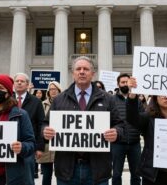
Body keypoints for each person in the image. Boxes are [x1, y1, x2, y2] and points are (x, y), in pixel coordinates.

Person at [43, 56, 124, 185]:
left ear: (92, 73)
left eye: (86, 69)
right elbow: (45, 123)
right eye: (78, 69)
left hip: (98, 169)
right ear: (73, 73)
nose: (82, 72)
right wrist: (45, 131)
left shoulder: (108, 99)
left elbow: (120, 125)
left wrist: (116, 132)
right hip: (67, 169)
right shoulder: (59, 99)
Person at [13, 72, 45, 181]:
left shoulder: (36, 101)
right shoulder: (8, 100)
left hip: (29, 146)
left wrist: (40, 147)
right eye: (17, 81)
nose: (19, 83)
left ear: (27, 85)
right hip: (9, 146)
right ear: (13, 84)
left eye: (22, 81)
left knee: (28, 179)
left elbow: (41, 124)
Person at [111, 73, 141, 185]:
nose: (124, 84)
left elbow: (142, 117)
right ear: (118, 84)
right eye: (122, 82)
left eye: (126, 82)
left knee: (137, 175)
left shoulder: (137, 99)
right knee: (116, 174)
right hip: (118, 143)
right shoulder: (111, 100)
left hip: (135, 142)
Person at [37, 81, 62, 185]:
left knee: (61, 174)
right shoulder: (43, 104)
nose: (53, 91)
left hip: (60, 143)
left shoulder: (64, 103)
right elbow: (40, 123)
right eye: (51, 89)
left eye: (55, 89)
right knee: (46, 174)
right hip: (46, 143)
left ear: (59, 90)